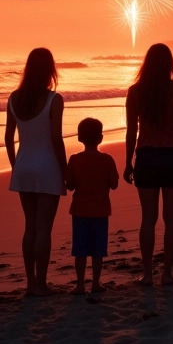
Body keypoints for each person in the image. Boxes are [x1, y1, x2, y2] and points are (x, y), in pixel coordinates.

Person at [124, 43, 173, 286]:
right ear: (169, 64)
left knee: (147, 218)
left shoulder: (136, 91)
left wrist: (128, 161)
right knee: (171, 218)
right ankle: (168, 273)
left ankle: (148, 274)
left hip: (147, 156)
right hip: (172, 155)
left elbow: (131, 130)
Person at [5, 47, 67, 297]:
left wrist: (14, 165)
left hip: (24, 165)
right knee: (44, 228)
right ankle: (41, 282)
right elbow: (56, 138)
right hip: (47, 166)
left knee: (29, 226)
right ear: (50, 69)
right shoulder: (54, 99)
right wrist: (65, 169)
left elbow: (8, 138)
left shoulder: (14, 98)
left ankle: (30, 283)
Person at [66, 117, 119, 294]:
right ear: (101, 138)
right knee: (98, 249)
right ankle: (96, 283)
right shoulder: (107, 159)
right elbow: (114, 184)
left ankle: (80, 284)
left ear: (79, 137)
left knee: (80, 249)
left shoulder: (74, 159)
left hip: (80, 210)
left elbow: (70, 185)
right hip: (101, 210)